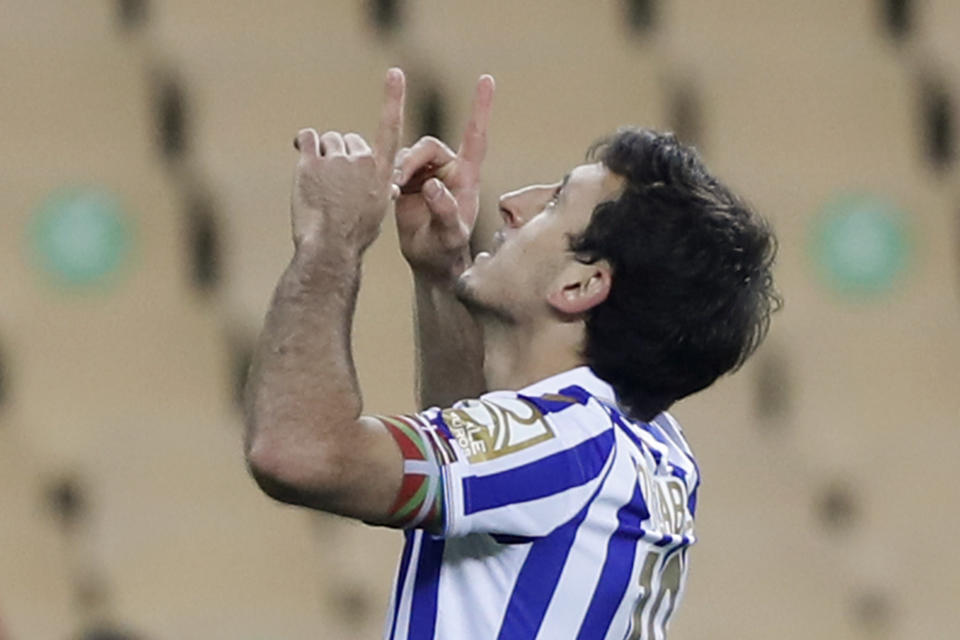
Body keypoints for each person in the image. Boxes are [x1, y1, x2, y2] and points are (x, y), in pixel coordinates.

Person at [243, 68, 779, 639]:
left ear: (580, 286)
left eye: (553, 204)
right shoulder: (649, 443)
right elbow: (481, 460)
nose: (512, 204)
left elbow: (297, 452)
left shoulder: (568, 440)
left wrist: (332, 239)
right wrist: (439, 270)